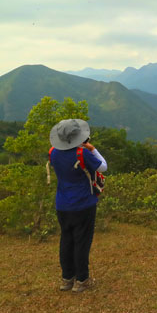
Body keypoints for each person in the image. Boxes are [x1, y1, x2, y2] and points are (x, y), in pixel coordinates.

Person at [48, 118, 107, 293]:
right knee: (82, 241)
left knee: (66, 240)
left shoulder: (53, 152)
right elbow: (103, 167)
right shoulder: (82, 154)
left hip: (62, 204)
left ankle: (67, 279)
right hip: (83, 204)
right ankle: (81, 280)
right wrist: (92, 149)